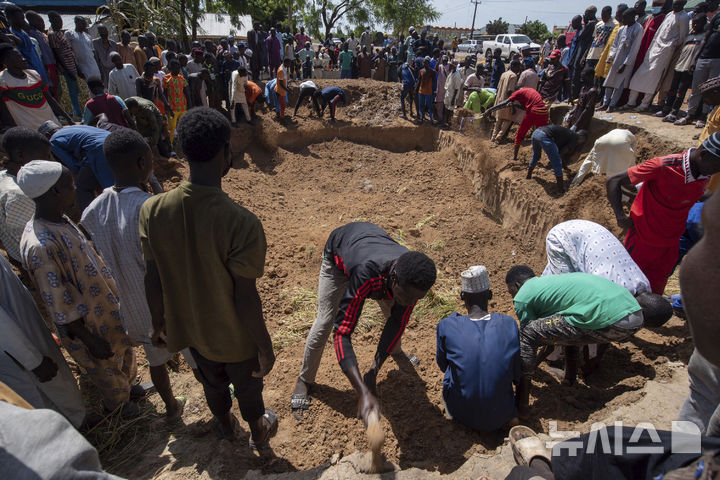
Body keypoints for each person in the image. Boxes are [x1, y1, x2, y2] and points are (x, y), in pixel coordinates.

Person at [139, 107, 277, 444]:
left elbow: (152, 276)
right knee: (247, 386)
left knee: (211, 383)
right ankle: (258, 431)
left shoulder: (152, 210)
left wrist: (159, 323)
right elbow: (245, 296)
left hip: (190, 331)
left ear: (183, 152)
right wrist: (264, 345)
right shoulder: (241, 222)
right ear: (226, 152)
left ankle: (225, 425)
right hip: (235, 338)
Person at [80, 128, 193, 422]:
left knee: (155, 361)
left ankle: (171, 408)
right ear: (143, 163)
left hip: (132, 307)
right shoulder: (151, 207)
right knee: (196, 359)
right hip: (167, 306)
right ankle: (220, 411)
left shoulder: (93, 209)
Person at [17, 160, 139, 417]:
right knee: (103, 365)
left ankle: (129, 389)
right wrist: (86, 337)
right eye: (70, 184)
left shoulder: (61, 221)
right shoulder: (40, 245)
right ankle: (118, 408)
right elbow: (56, 300)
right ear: (55, 192)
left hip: (105, 307)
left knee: (121, 353)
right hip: (87, 324)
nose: (75, 188)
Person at [289, 222, 436, 423]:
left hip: (371, 246)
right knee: (325, 321)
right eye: (406, 296)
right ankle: (304, 379)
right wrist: (362, 391)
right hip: (340, 253)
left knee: (394, 313)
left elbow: (396, 323)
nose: (411, 303)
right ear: (394, 279)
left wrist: (373, 372)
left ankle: (395, 352)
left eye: (416, 299)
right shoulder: (368, 273)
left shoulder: (412, 280)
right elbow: (342, 333)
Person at [506, 266, 646, 418]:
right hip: (635, 316)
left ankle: (522, 405)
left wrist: (529, 366)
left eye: (510, 291)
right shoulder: (551, 285)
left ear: (517, 285)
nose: (512, 296)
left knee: (526, 334)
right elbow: (554, 333)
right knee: (565, 323)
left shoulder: (523, 297)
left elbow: (532, 338)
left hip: (611, 319)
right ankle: (570, 380)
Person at [606, 131, 720, 294]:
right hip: (642, 241)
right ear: (703, 155)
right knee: (627, 287)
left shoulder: (704, 174)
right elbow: (614, 180)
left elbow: (693, 194)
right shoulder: (663, 166)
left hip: (670, 244)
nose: (717, 171)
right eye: (717, 166)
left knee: (655, 292)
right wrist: (620, 216)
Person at [1, 244, 87, 429]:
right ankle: (72, 433)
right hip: (18, 353)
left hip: (25, 333)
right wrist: (34, 361)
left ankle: (78, 422)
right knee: (40, 399)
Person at [436, 266, 521, 432]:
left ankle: (454, 413)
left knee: (451, 369)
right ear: (490, 295)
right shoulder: (509, 324)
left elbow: (442, 365)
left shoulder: (447, 325)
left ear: (462, 296)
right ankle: (511, 415)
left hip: (462, 414)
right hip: (502, 413)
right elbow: (517, 373)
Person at [626, 0, 690, 111]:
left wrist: (670, 45)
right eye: (674, 4)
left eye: (678, 4)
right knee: (638, 76)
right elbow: (659, 32)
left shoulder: (683, 17)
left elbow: (682, 37)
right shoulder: (670, 14)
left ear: (683, 4)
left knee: (653, 79)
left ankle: (644, 104)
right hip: (654, 47)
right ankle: (631, 102)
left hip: (665, 51)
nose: (675, 6)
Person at [0, 127, 50, 267]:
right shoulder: (19, 194)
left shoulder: (5, 177)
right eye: (45, 156)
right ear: (20, 155)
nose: (48, 161)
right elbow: (33, 243)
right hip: (41, 264)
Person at [42, 122, 113, 211]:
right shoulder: (74, 127)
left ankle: (92, 219)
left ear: (47, 135)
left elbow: (74, 166)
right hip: (113, 142)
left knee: (82, 187)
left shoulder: (53, 141)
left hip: (99, 151)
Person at [0, 44, 71, 129]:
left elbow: (50, 100)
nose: (24, 59)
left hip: (52, 125)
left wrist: (68, 118)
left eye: (22, 56)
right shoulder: (3, 80)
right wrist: (12, 128)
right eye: (18, 57)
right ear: (7, 61)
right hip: (30, 131)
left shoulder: (33, 74)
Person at [677, 1, 720, 127]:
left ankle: (703, 116)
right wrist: (695, 58)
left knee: (711, 90)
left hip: (718, 60)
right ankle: (689, 115)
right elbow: (706, 37)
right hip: (703, 57)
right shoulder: (717, 17)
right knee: (696, 88)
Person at [657, 12, 707, 122]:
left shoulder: (704, 37)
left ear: (703, 24)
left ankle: (674, 112)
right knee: (672, 89)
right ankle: (667, 109)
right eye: (693, 23)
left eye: (697, 24)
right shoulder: (689, 36)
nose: (694, 26)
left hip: (689, 68)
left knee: (681, 91)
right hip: (679, 65)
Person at [483, 87, 550, 160]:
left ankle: (515, 156)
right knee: (544, 135)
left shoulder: (517, 93)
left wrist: (490, 110)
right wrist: (516, 105)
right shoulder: (530, 91)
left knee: (520, 134)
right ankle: (550, 156)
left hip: (533, 112)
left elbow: (505, 102)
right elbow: (527, 107)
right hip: (544, 112)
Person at [601, 8, 644, 111]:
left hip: (627, 62)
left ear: (632, 17)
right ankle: (605, 103)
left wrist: (625, 64)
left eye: (625, 18)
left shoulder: (638, 29)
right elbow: (615, 45)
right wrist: (611, 56)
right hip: (616, 59)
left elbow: (634, 48)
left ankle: (612, 105)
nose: (622, 20)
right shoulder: (621, 29)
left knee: (619, 85)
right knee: (609, 82)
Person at [527, 126, 588, 194]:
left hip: (536, 133)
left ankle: (528, 176)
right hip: (545, 136)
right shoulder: (575, 138)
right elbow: (562, 152)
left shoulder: (568, 134)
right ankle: (560, 189)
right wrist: (562, 164)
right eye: (583, 141)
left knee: (536, 155)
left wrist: (565, 167)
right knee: (557, 162)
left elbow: (560, 151)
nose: (580, 143)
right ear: (582, 138)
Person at [46, 11, 82, 119]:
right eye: (58, 21)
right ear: (52, 21)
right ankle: (77, 114)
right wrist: (66, 69)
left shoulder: (60, 32)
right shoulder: (52, 34)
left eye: (61, 20)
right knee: (72, 91)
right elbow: (57, 53)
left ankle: (77, 112)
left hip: (71, 65)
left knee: (75, 89)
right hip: (66, 67)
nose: (60, 23)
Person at [572, 128, 637, 184]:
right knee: (620, 171)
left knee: (589, 159)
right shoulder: (632, 136)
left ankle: (576, 181)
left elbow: (589, 159)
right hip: (620, 143)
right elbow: (632, 155)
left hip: (601, 141)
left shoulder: (613, 131)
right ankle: (623, 197)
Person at [4, 4, 48, 87]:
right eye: (20, 18)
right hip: (31, 75)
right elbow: (19, 42)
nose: (23, 21)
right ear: (10, 18)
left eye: (23, 18)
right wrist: (10, 36)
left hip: (39, 70)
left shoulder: (23, 32)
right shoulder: (13, 34)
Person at [24, 10, 56, 99]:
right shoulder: (32, 34)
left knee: (55, 88)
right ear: (32, 22)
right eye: (40, 21)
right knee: (49, 88)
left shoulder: (40, 33)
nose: (43, 24)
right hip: (45, 65)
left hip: (50, 63)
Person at [570, 7, 599, 100]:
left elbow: (583, 37)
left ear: (592, 13)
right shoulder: (590, 23)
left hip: (583, 53)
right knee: (576, 75)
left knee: (577, 75)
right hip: (580, 52)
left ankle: (575, 97)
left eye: (586, 13)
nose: (585, 15)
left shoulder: (592, 24)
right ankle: (574, 96)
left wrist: (586, 22)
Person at [491, 60, 523, 143]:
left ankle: (493, 137)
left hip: (499, 99)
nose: (519, 69)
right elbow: (509, 91)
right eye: (518, 67)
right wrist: (512, 103)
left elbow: (498, 88)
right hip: (506, 100)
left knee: (499, 119)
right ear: (514, 67)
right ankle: (499, 137)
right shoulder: (513, 76)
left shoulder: (504, 74)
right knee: (508, 119)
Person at [65, 16, 100, 84]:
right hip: (82, 66)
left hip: (93, 65)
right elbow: (69, 51)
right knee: (89, 84)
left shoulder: (88, 36)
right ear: (76, 23)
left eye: (85, 24)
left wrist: (98, 65)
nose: (85, 26)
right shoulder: (70, 34)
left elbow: (93, 51)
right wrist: (77, 68)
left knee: (98, 83)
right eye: (83, 23)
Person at [162, 59, 190, 140]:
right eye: (175, 68)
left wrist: (189, 104)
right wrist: (167, 106)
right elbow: (165, 94)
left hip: (182, 106)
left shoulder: (182, 78)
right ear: (170, 68)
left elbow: (186, 92)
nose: (177, 70)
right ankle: (171, 146)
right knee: (172, 128)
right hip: (172, 108)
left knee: (185, 125)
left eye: (178, 68)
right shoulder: (166, 78)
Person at [586, 6, 617, 70]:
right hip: (592, 54)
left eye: (605, 15)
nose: (603, 17)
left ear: (609, 14)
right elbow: (594, 39)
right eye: (602, 15)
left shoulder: (615, 24)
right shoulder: (598, 24)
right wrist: (586, 54)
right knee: (587, 72)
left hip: (603, 55)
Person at [417, 56, 436, 124]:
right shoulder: (421, 71)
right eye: (425, 62)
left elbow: (434, 82)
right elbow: (419, 81)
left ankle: (431, 119)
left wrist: (434, 91)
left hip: (429, 92)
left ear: (429, 63)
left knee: (430, 106)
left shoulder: (432, 72)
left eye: (427, 62)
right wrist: (416, 89)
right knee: (421, 105)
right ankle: (422, 118)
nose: (426, 64)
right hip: (421, 91)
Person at [443, 60, 462, 126]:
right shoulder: (451, 73)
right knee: (446, 109)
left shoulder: (456, 75)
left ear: (454, 66)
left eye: (451, 65)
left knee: (450, 110)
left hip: (452, 96)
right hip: (448, 94)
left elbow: (457, 88)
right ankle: (446, 122)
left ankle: (449, 124)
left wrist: (453, 99)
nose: (449, 66)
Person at [275, 58, 290, 122]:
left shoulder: (284, 68)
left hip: (282, 90)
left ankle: (281, 116)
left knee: (282, 105)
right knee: (283, 105)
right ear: (286, 62)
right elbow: (281, 83)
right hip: (280, 91)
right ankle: (282, 119)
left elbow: (283, 80)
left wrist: (287, 87)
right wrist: (287, 90)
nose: (290, 65)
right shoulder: (281, 70)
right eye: (289, 63)